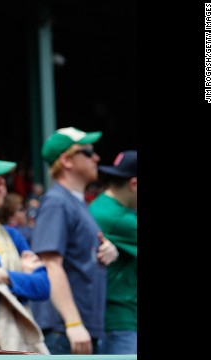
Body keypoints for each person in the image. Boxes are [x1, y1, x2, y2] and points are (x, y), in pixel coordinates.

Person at [29, 127, 120, 354]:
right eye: (88, 152)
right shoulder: (57, 202)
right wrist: (73, 323)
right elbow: (51, 265)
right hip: (66, 330)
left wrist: (109, 250)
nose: (96, 157)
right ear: (66, 160)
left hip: (80, 328)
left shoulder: (75, 202)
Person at [0, 149, 49, 354]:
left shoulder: (12, 236)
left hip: (16, 345)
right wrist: (21, 276)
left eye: (2, 178)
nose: (1, 183)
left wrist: (3, 276)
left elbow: (43, 285)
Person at [89, 150, 137, 354]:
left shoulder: (102, 205)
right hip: (119, 320)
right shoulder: (118, 217)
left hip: (114, 318)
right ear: (133, 184)